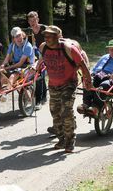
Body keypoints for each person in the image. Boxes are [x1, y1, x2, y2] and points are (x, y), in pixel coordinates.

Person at [36, 25, 92, 153]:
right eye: (45, 36)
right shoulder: (43, 47)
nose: (47, 38)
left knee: (66, 110)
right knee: (55, 112)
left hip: (69, 83)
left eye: (50, 36)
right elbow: (42, 60)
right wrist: (37, 67)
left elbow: (82, 65)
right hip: (53, 84)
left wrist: (88, 80)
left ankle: (70, 140)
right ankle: (61, 139)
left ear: (57, 37)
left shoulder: (69, 48)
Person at [77, 39, 113, 118]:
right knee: (88, 81)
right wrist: (89, 75)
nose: (111, 51)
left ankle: (95, 107)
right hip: (100, 76)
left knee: (104, 85)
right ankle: (85, 104)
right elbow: (94, 69)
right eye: (110, 49)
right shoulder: (104, 57)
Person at [25, 11, 48, 106]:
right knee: (38, 75)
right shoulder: (28, 31)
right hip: (36, 54)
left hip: (46, 53)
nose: (32, 22)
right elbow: (28, 45)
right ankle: (41, 97)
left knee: (40, 75)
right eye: (30, 21)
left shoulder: (44, 28)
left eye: (34, 20)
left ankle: (41, 98)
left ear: (38, 19)